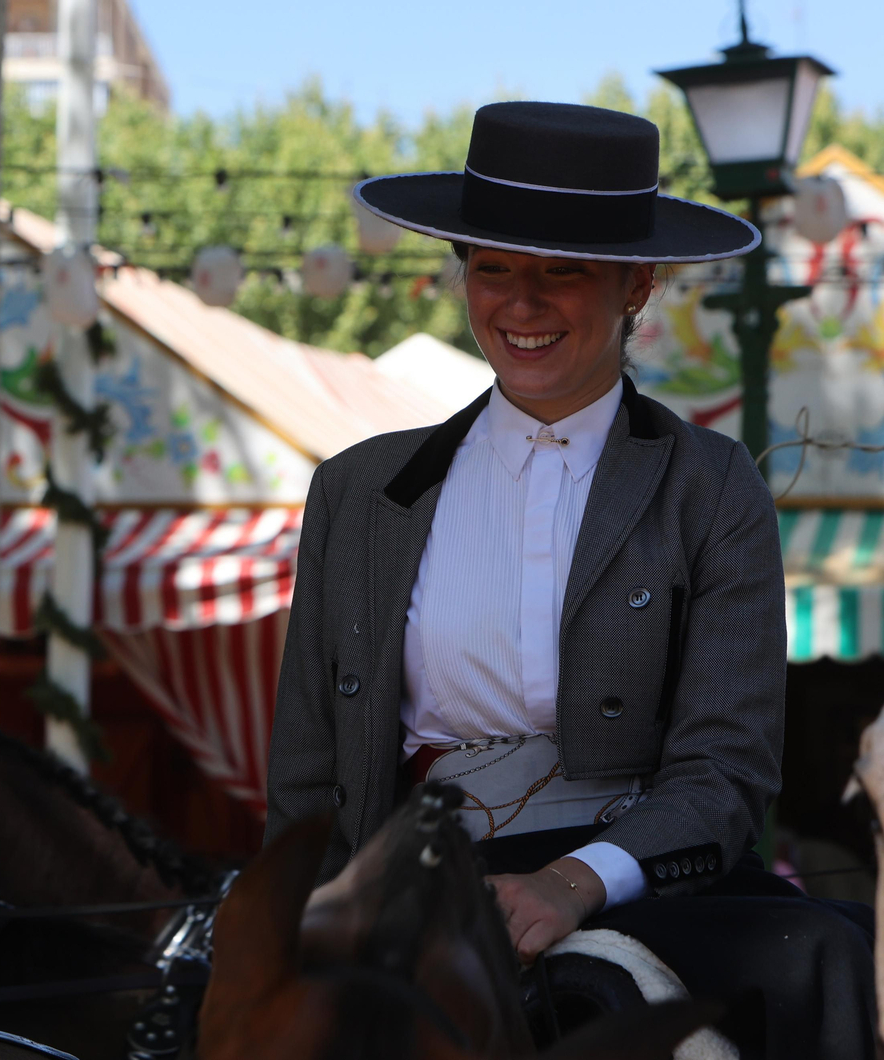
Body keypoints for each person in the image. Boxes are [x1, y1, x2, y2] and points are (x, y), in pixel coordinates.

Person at [266, 101, 874, 1058]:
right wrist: (296, 914)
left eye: (563, 271)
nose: (521, 303)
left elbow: (727, 764)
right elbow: (308, 765)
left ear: (639, 284)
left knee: (818, 955)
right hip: (405, 880)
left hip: (636, 871)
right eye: (493, 268)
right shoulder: (360, 490)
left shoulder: (712, 486)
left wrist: (573, 882)